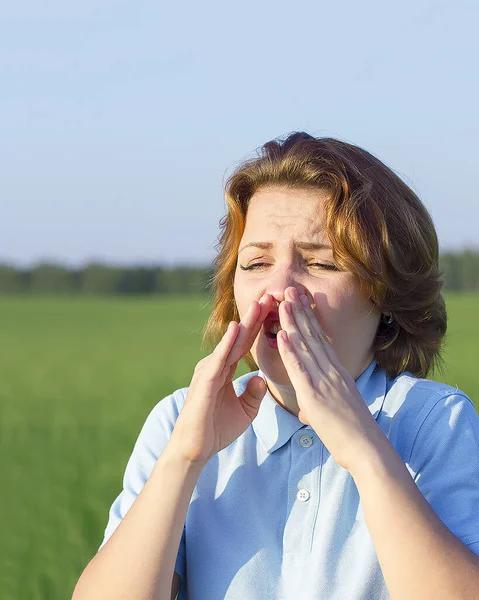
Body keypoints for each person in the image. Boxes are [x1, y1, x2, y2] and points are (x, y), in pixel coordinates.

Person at [72, 132, 479, 600]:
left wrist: (364, 450)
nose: (280, 289)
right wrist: (184, 458)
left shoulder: (433, 421)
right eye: (256, 262)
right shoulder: (177, 423)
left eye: (321, 264)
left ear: (385, 294)